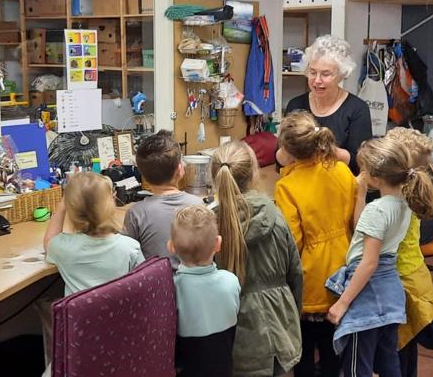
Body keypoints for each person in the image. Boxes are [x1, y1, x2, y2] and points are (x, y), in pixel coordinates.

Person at [324, 136, 433, 377]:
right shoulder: (404, 202)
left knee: (357, 367)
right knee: (388, 362)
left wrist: (342, 304)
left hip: (368, 294)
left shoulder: (377, 210)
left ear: (374, 177)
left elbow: (369, 262)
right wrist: (360, 196)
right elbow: (363, 230)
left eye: (363, 169)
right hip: (391, 293)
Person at [274, 112, 358, 377]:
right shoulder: (342, 170)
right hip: (344, 270)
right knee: (334, 348)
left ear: (286, 150)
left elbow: (292, 242)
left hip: (311, 280)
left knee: (305, 351)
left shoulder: (287, 186)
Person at [211, 141, 303, 376]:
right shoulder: (275, 215)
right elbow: (296, 273)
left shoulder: (211, 226)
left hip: (238, 334)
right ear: (254, 174)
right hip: (281, 326)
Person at [41, 172, 145, 375]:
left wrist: (62, 206)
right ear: (112, 203)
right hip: (120, 341)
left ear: (71, 210)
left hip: (77, 347)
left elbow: (48, 242)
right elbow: (141, 290)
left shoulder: (64, 248)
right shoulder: (129, 247)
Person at [384, 128, 433, 375]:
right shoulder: (415, 187)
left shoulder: (394, 204)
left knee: (399, 345)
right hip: (414, 273)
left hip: (399, 279)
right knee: (407, 345)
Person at [280, 35, 373, 175]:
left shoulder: (357, 109)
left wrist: (324, 149)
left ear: (342, 75)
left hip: (340, 190)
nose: (317, 80)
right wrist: (287, 150)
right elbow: (280, 161)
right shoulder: (296, 105)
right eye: (312, 72)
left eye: (325, 74)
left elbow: (361, 164)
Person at [169, 205, 242, 377]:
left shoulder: (172, 289)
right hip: (224, 366)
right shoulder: (231, 281)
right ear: (218, 244)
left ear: (171, 246)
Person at [123, 130, 204, 268]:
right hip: (192, 283)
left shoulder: (136, 213)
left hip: (155, 287)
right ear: (180, 170)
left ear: (143, 176)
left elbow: (128, 258)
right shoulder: (198, 204)